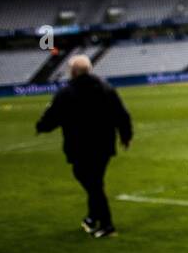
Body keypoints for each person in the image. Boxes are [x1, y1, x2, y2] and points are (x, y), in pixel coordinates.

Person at [34, 55, 132, 238]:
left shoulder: (68, 92)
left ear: (73, 72)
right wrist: (126, 136)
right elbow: (121, 114)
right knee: (95, 181)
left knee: (90, 182)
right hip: (104, 145)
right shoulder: (106, 88)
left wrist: (41, 126)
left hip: (79, 146)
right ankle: (92, 217)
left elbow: (53, 116)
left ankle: (107, 224)